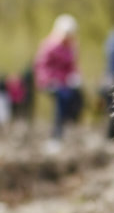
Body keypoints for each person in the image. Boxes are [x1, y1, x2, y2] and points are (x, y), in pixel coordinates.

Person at [34, 14, 84, 145]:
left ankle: (70, 128)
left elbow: (72, 66)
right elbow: (41, 66)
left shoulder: (71, 47)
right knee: (62, 99)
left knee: (76, 98)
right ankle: (56, 135)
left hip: (65, 83)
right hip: (50, 82)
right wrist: (50, 80)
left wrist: (75, 77)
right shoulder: (49, 46)